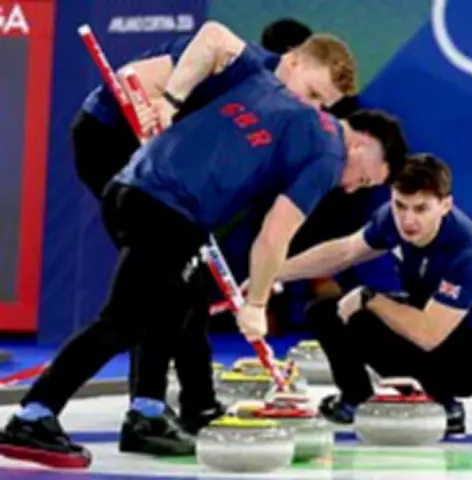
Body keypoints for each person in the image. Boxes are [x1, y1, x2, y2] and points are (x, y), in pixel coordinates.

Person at [0, 24, 407, 468]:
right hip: (156, 193)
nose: (356, 189)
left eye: (320, 102)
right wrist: (253, 307)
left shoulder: (257, 76)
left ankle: (149, 412)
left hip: (143, 191)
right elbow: (275, 233)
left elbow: (214, 37)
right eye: (366, 177)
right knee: (123, 320)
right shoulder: (326, 149)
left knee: (178, 301)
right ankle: (34, 416)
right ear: (361, 142)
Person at [68, 20, 358, 455]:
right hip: (112, 138)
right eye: (312, 93)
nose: (310, 106)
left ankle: (191, 403)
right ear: (293, 59)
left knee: (188, 285)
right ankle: (150, 410)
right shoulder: (237, 64)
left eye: (321, 104)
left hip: (165, 171)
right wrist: (162, 105)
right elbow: (134, 81)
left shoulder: (279, 107)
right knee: (166, 285)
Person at [273, 154, 472, 436]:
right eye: (400, 205)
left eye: (421, 209)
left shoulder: (466, 253)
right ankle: (356, 398)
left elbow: (429, 333)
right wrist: (273, 272)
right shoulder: (392, 219)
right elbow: (346, 251)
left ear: (445, 206)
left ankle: (445, 404)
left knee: (369, 318)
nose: (408, 220)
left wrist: (369, 297)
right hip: (432, 321)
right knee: (324, 311)